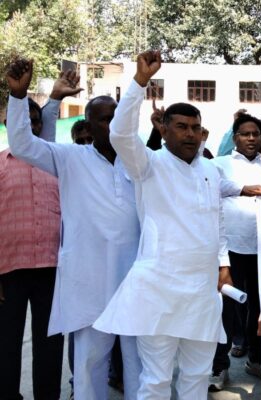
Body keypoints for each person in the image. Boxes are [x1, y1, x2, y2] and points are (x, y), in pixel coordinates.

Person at [92, 51, 232, 399]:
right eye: (181, 127)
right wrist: (139, 82)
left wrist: (224, 264)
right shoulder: (148, 165)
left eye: (195, 128)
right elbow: (120, 134)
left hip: (202, 294)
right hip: (159, 292)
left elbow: (217, 221)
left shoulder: (211, 170)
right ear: (163, 130)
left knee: (197, 377)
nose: (190, 134)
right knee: (155, 380)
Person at [6, 58, 142, 400]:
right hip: (89, 281)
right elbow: (23, 145)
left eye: (116, 117)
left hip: (135, 279)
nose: (112, 124)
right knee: (89, 366)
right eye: (104, 119)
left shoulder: (140, 162)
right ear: (89, 125)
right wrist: (19, 97)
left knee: (139, 364)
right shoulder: (70, 158)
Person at [0, 69, 79, 400]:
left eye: (36, 122)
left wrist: (56, 97)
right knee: (6, 343)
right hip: (9, 271)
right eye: (24, 121)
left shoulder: (57, 164)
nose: (31, 127)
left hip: (52, 269)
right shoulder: (0, 166)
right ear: (9, 123)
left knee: (50, 343)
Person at [210, 113, 261, 388]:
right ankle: (219, 367)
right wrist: (243, 189)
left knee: (260, 307)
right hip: (230, 249)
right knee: (226, 309)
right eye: (245, 134)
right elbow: (213, 187)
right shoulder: (220, 164)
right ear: (235, 137)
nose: (251, 138)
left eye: (256, 134)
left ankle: (255, 360)